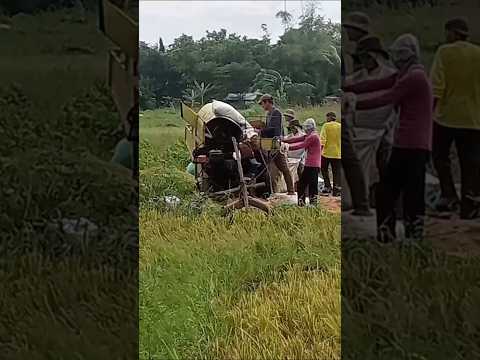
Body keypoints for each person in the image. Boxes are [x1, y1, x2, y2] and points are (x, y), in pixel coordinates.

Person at [346, 34, 433, 243]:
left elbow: (386, 97)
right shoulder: (407, 74)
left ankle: (396, 235)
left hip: (412, 143)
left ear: (405, 56)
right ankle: (404, 234)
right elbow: (376, 84)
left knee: (394, 190)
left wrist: (353, 105)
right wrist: (346, 88)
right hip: (408, 142)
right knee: (401, 189)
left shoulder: (414, 77)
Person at [430, 18, 480, 219]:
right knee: (470, 163)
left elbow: (437, 86)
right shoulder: (478, 53)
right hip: (474, 119)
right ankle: (469, 204)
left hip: (446, 117)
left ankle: (449, 195)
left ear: (452, 33)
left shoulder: (444, 52)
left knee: (440, 157)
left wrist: (429, 114)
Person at [344, 35, 398, 207]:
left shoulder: (391, 77)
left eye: (368, 57)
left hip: (383, 131)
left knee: (383, 169)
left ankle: (382, 202)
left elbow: (393, 102)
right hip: (359, 131)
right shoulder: (355, 79)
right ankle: (361, 200)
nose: (365, 61)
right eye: (362, 58)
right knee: (359, 167)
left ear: (377, 57)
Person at [341, 14, 373, 216]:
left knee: (351, 160)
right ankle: (361, 203)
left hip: (352, 110)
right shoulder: (349, 53)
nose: (347, 32)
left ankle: (362, 204)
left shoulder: (364, 50)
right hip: (349, 108)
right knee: (351, 160)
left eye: (350, 28)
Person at [258, 94, 295, 195]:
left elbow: (275, 131)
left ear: (268, 102)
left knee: (283, 168)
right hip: (269, 143)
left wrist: (262, 129)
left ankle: (291, 190)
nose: (262, 106)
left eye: (263, 104)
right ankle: (273, 191)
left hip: (275, 143)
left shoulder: (276, 113)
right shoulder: (268, 114)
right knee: (271, 170)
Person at [283, 118, 321, 206]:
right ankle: (309, 204)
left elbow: (301, 145)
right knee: (308, 185)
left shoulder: (313, 136)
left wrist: (287, 147)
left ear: (309, 128)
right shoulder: (310, 135)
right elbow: (296, 139)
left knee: (306, 185)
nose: (305, 130)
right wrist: (283, 140)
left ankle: (306, 204)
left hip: (312, 165)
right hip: (311, 164)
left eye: (306, 128)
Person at [320, 112, 341, 197]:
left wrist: (319, 150)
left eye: (327, 117)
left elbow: (322, 139)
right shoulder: (340, 126)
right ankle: (337, 190)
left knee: (324, 169)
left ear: (329, 117)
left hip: (326, 153)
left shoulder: (326, 125)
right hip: (338, 153)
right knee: (336, 172)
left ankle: (328, 187)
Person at [284, 109, 306, 182]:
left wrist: (288, 147)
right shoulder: (290, 135)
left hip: (299, 158)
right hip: (292, 158)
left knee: (300, 174)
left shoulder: (302, 135)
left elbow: (298, 145)